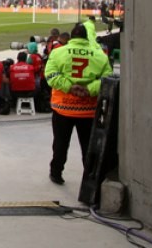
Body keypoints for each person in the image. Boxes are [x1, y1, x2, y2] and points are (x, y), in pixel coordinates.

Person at [45, 22, 112, 185]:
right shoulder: (100, 55)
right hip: (88, 110)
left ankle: (56, 173)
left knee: (60, 144)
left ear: (72, 37)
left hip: (63, 109)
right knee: (88, 148)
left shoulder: (58, 52)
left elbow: (50, 75)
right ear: (86, 37)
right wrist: (89, 89)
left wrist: (69, 87)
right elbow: (107, 80)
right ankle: (89, 180)